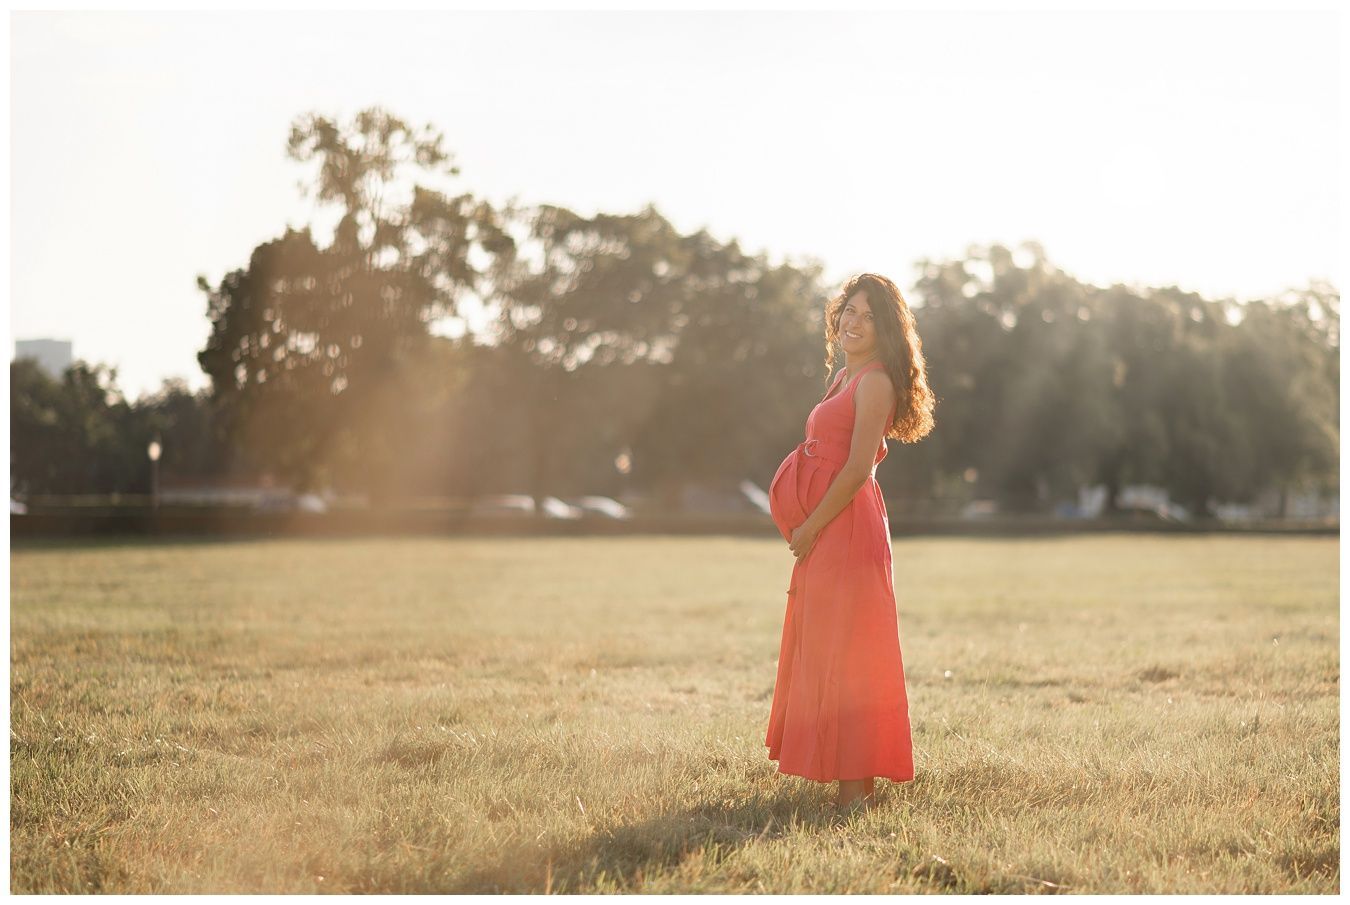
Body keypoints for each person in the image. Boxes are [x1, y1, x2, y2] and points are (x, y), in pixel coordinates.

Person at [765, 272, 936, 815]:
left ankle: (854, 789)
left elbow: (859, 466)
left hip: (847, 526)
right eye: (849, 311)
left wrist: (811, 525)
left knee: (852, 649)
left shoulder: (875, 382)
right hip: (828, 525)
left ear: (885, 328)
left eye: (867, 315)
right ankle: (847, 779)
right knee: (827, 644)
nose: (853, 323)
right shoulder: (844, 376)